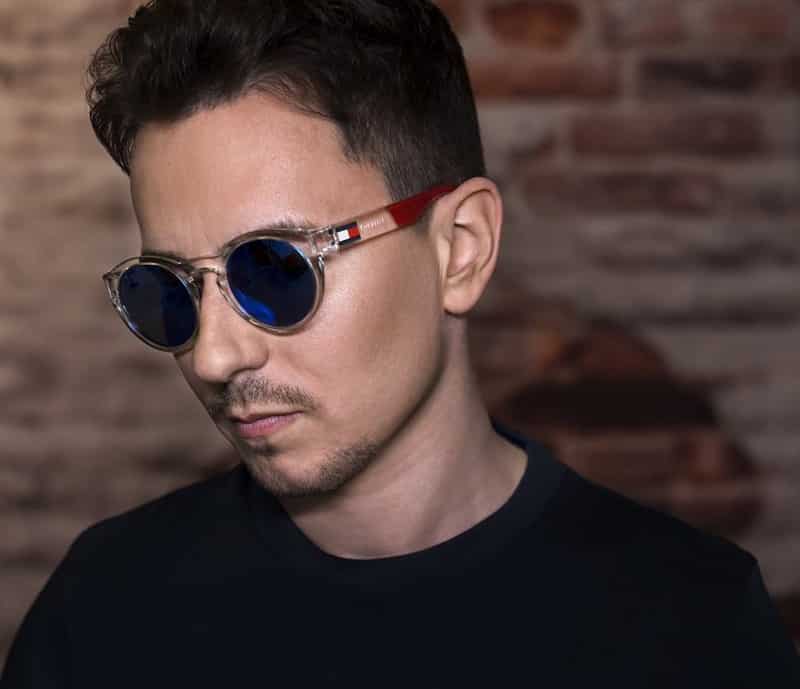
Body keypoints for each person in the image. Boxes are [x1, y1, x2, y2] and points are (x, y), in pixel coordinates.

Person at [2, 1, 798, 686]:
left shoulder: (693, 626)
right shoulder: (102, 611)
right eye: (170, 290)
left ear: (460, 249)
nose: (214, 356)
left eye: (276, 270)